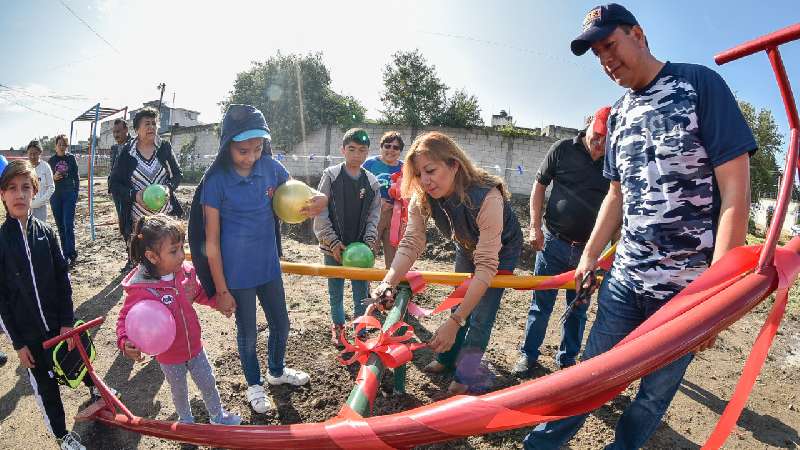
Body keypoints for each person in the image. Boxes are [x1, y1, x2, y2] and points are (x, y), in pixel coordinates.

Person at [523, 4, 755, 449]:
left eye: (610, 44)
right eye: (596, 54)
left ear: (638, 34)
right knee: (588, 375)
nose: (606, 59)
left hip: (685, 292)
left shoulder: (699, 84)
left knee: (652, 397)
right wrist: (591, 254)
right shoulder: (621, 114)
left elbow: (735, 194)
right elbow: (616, 195)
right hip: (625, 279)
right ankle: (540, 446)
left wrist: (716, 297)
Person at [187, 104, 327, 414]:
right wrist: (221, 290)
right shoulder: (216, 182)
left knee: (282, 323)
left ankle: (276, 372)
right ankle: (254, 385)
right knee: (247, 333)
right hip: (237, 276)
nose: (251, 156)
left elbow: (301, 194)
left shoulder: (272, 168)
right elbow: (210, 243)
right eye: (243, 150)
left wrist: (321, 200)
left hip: (268, 268)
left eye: (258, 147)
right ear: (227, 148)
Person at [369, 131, 523, 395]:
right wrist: (387, 282)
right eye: (418, 174)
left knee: (480, 316)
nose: (425, 181)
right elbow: (411, 243)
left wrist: (456, 322)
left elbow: (486, 265)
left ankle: (466, 374)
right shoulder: (421, 195)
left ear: (454, 164)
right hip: (465, 244)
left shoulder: (488, 197)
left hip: (500, 251)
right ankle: (446, 359)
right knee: (457, 305)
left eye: (430, 170)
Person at [0, 160, 105, 450]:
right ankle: (62, 435)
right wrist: (19, 344)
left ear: (34, 192)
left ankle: (96, 389)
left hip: (59, 324)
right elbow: (3, 302)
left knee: (78, 359)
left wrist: (68, 321)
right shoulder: (1, 243)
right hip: (30, 336)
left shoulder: (46, 233)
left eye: (25, 187)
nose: (19, 194)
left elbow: (63, 281)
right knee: (46, 387)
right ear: (2, 195)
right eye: (11, 188)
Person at [116, 214, 241, 425]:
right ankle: (186, 421)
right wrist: (125, 342)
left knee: (208, 383)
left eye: (182, 247)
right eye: (174, 251)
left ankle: (218, 416)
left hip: (194, 346)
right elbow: (125, 319)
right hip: (169, 355)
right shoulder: (142, 289)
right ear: (153, 256)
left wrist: (217, 303)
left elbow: (198, 293)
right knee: (179, 391)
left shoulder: (184, 273)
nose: (182, 255)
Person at [514, 107, 611, 374]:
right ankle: (528, 355)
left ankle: (567, 362)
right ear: (589, 124)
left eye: (608, 139)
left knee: (578, 309)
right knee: (540, 305)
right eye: (598, 135)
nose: (600, 144)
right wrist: (534, 227)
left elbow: (617, 205)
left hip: (588, 252)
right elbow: (539, 186)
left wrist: (610, 252)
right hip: (553, 244)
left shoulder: (613, 160)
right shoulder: (562, 149)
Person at [314, 128, 381, 344]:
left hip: (360, 251)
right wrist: (332, 241)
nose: (356, 155)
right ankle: (338, 327)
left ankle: (360, 329)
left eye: (362, 150)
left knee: (361, 292)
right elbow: (320, 210)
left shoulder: (372, 183)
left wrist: (369, 241)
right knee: (335, 291)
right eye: (351, 149)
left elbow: (374, 216)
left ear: (367, 153)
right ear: (343, 150)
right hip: (333, 247)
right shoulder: (331, 176)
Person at [109, 107, 183, 248]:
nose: (151, 127)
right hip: (140, 221)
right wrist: (135, 195)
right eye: (147, 123)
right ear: (137, 129)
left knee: (165, 254)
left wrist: (169, 188)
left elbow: (178, 174)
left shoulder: (164, 147)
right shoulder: (127, 153)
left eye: (154, 123)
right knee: (145, 258)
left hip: (165, 217)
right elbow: (114, 184)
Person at [362, 131, 405, 268]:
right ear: (381, 147)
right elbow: (359, 188)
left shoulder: (405, 168)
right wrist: (375, 201)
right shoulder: (370, 164)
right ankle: (364, 288)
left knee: (393, 259)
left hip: (395, 219)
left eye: (396, 147)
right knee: (368, 254)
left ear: (400, 151)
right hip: (373, 217)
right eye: (387, 146)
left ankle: (390, 288)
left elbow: (410, 190)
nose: (391, 150)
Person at [48, 134, 80, 266]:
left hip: (68, 195)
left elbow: (76, 178)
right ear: (55, 146)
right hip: (55, 196)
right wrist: (53, 178)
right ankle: (64, 252)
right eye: (59, 144)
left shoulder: (71, 158)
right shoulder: (51, 161)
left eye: (64, 145)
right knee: (60, 226)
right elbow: (47, 181)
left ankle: (70, 253)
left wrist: (75, 193)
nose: (62, 147)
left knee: (68, 224)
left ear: (67, 146)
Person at [109, 118, 131, 242]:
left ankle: (133, 253)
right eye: (114, 132)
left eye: (119, 131)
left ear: (126, 129)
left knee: (130, 221)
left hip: (130, 189)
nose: (116, 135)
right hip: (116, 190)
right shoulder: (114, 148)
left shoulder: (134, 145)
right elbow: (112, 168)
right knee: (122, 221)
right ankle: (128, 249)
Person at [28, 140, 55, 222]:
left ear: (40, 153)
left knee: (40, 232)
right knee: (26, 232)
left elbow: (51, 187)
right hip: (27, 208)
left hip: (41, 207)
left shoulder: (45, 167)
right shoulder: (25, 167)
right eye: (30, 154)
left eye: (35, 153)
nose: (32, 156)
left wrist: (41, 201)